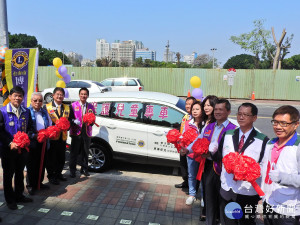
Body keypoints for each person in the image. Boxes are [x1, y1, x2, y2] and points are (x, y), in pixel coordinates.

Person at [211, 103, 269, 225]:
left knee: (245, 222)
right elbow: (219, 157)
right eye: (239, 114)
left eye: (246, 115)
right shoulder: (228, 134)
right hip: (228, 188)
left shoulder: (262, 139)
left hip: (247, 191)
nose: (241, 117)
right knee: (228, 220)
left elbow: (264, 166)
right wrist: (213, 151)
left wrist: (247, 170)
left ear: (254, 118)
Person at [261, 105, 300, 225]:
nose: (278, 127)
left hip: (288, 210)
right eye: (275, 122)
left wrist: (283, 177)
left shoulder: (298, 146)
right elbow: (264, 171)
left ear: (296, 124)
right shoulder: (270, 143)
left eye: (283, 123)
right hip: (269, 203)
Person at [201, 99, 237, 225]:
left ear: (228, 112)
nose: (217, 112)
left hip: (224, 169)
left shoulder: (233, 129)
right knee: (209, 198)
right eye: (215, 109)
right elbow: (199, 141)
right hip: (209, 167)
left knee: (224, 200)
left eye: (220, 109)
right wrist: (188, 149)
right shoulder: (209, 126)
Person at [0, 86, 34, 210]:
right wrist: (10, 143)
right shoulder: (3, 111)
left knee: (20, 173)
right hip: (8, 149)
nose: (17, 98)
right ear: (10, 97)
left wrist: (27, 138)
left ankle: (19, 195)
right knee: (8, 175)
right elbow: (0, 131)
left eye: (20, 96)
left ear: (23, 98)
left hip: (23, 149)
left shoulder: (26, 111)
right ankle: (10, 200)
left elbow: (30, 128)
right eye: (15, 95)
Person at [45, 87, 72, 185]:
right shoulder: (47, 107)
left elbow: (70, 120)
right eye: (58, 94)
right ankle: (51, 176)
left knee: (61, 157)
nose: (59, 96)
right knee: (52, 157)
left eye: (61, 95)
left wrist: (68, 126)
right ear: (53, 95)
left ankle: (59, 173)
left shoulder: (67, 107)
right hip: (52, 137)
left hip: (63, 136)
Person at [199, 95, 219, 221]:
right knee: (205, 187)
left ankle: (213, 214)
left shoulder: (216, 123)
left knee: (212, 189)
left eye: (209, 105)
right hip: (203, 160)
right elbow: (199, 138)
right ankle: (206, 209)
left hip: (214, 162)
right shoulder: (204, 120)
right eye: (205, 105)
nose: (206, 107)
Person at [26, 92, 51, 195]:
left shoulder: (44, 112)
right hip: (32, 142)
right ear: (31, 101)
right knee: (32, 164)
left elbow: (48, 125)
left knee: (42, 162)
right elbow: (25, 129)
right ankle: (30, 185)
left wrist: (49, 133)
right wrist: (34, 136)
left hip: (43, 141)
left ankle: (39, 183)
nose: (38, 102)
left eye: (40, 100)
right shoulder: (27, 112)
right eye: (35, 100)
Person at [181, 101, 204, 205]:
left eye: (197, 109)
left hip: (204, 155)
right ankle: (192, 195)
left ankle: (204, 196)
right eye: (193, 109)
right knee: (192, 175)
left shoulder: (206, 124)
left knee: (204, 176)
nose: (194, 111)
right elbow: (183, 138)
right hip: (191, 154)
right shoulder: (188, 123)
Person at [69, 87, 96, 178]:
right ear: (79, 95)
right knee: (74, 152)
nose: (83, 96)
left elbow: (93, 120)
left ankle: (84, 169)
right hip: (76, 132)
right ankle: (72, 170)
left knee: (85, 152)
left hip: (87, 132)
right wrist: (74, 121)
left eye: (85, 94)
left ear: (87, 96)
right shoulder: (73, 105)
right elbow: (70, 119)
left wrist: (91, 122)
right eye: (82, 94)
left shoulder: (91, 107)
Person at [175, 96, 196, 188]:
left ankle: (192, 187)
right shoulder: (185, 116)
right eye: (186, 104)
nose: (187, 106)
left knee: (191, 168)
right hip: (183, 145)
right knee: (183, 165)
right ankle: (186, 182)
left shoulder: (196, 118)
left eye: (190, 104)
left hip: (191, 148)